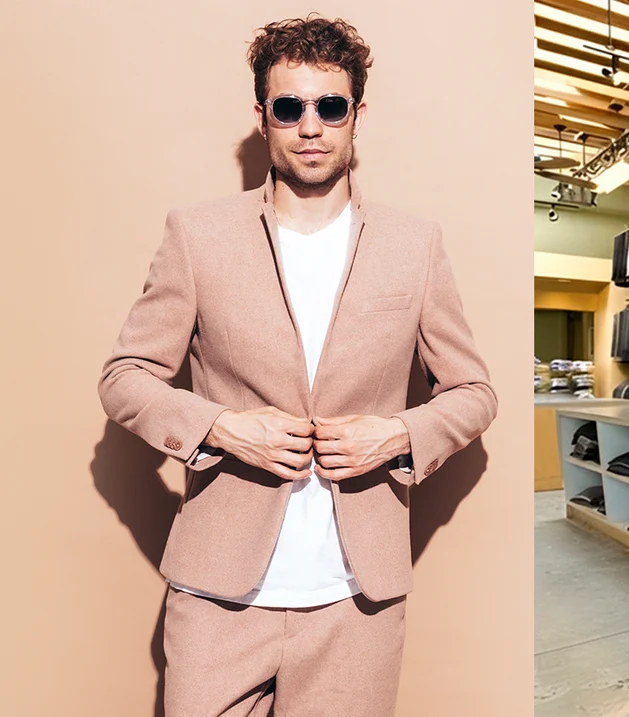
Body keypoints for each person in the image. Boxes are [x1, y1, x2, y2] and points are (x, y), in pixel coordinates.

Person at [98, 16, 496, 715]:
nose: (310, 126)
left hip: (356, 605)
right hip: (219, 596)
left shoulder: (415, 245)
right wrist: (220, 427)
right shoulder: (197, 236)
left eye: (329, 106)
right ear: (263, 118)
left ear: (355, 115)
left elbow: (474, 391)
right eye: (290, 107)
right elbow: (124, 376)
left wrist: (397, 435)